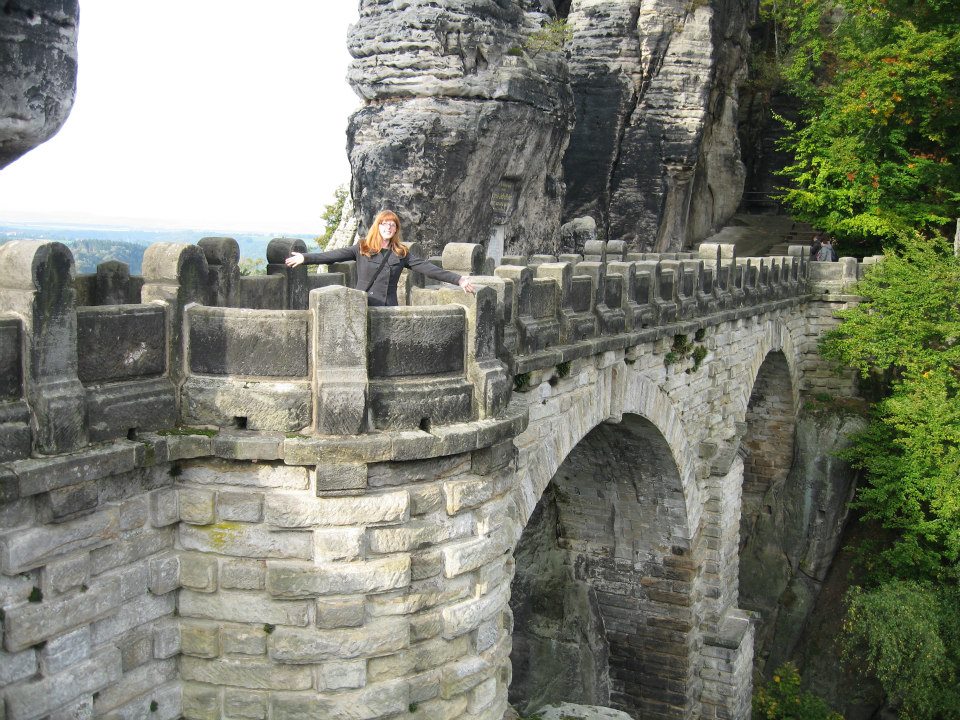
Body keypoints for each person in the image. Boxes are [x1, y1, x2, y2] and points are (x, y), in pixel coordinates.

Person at [285, 209, 476, 306]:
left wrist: (458, 279)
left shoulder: (401, 253)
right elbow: (333, 255)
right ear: (378, 226)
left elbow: (428, 268)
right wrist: (306, 258)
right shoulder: (362, 247)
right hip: (363, 304)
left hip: (388, 307)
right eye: (384, 224)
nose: (388, 228)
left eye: (392, 225)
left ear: (396, 229)